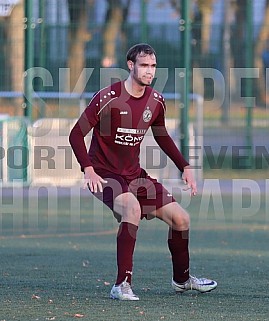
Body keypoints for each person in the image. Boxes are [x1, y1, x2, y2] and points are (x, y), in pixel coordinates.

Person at [69, 43, 217, 301]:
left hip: (135, 175)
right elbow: (76, 134)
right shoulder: (108, 97)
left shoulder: (156, 101)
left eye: (153, 66)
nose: (149, 71)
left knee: (181, 219)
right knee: (132, 208)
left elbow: (163, 137)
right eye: (144, 65)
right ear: (131, 66)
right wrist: (88, 169)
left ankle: (182, 281)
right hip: (105, 175)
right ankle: (121, 284)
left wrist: (185, 166)